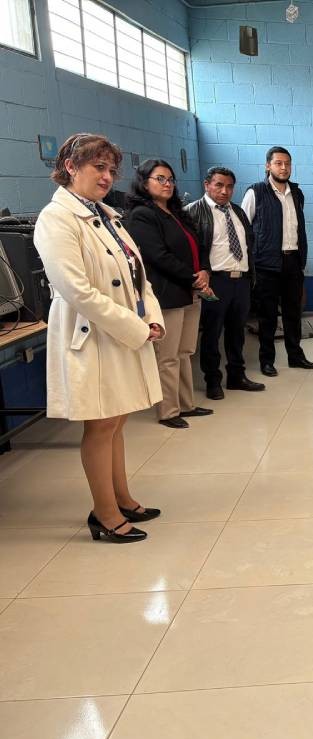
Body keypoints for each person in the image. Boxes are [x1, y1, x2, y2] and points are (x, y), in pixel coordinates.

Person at [33, 134, 166, 543]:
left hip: (123, 329)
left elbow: (135, 273)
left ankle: (123, 497)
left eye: (112, 170)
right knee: (101, 424)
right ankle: (104, 514)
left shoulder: (106, 215)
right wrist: (134, 327)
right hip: (92, 334)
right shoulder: (56, 219)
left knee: (118, 418)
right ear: (71, 167)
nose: (107, 176)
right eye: (98, 168)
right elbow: (77, 291)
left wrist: (151, 317)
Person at [125, 159, 214, 428]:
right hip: (167, 294)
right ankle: (168, 410)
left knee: (185, 351)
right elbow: (158, 256)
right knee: (167, 355)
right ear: (144, 182)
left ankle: (186, 404)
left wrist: (205, 271)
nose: (167, 184)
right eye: (160, 179)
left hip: (190, 291)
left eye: (171, 179)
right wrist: (193, 278)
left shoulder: (176, 212)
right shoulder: (142, 215)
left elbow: (198, 247)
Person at [186, 167, 265, 400]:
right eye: (219, 185)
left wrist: (251, 276)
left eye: (229, 186)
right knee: (212, 332)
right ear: (206, 185)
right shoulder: (193, 212)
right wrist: (200, 277)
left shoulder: (238, 212)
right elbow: (190, 250)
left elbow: (248, 245)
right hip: (214, 281)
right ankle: (212, 380)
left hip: (240, 280)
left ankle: (236, 376)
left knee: (237, 331)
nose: (224, 191)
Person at [240, 146, 313, 376]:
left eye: (287, 163)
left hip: (292, 261)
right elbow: (244, 228)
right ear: (268, 166)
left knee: (293, 313)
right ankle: (267, 360)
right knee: (267, 316)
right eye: (278, 163)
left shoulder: (296, 193)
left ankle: (295, 356)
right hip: (266, 264)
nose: (284, 167)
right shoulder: (255, 192)